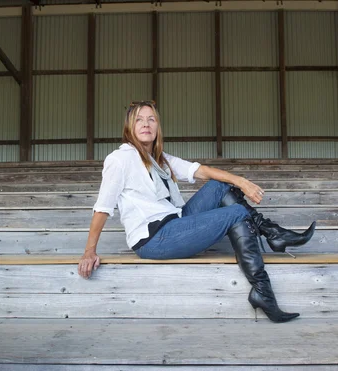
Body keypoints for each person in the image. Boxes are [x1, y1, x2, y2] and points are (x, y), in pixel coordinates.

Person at [78, 101, 315, 323]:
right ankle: (264, 289)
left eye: (152, 119)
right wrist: (90, 251)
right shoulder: (120, 159)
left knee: (219, 185)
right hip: (154, 238)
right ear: (130, 126)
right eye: (140, 120)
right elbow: (103, 208)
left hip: (177, 222)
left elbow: (201, 171)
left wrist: (241, 181)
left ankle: (274, 235)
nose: (146, 124)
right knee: (235, 213)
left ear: (158, 126)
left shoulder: (160, 159)